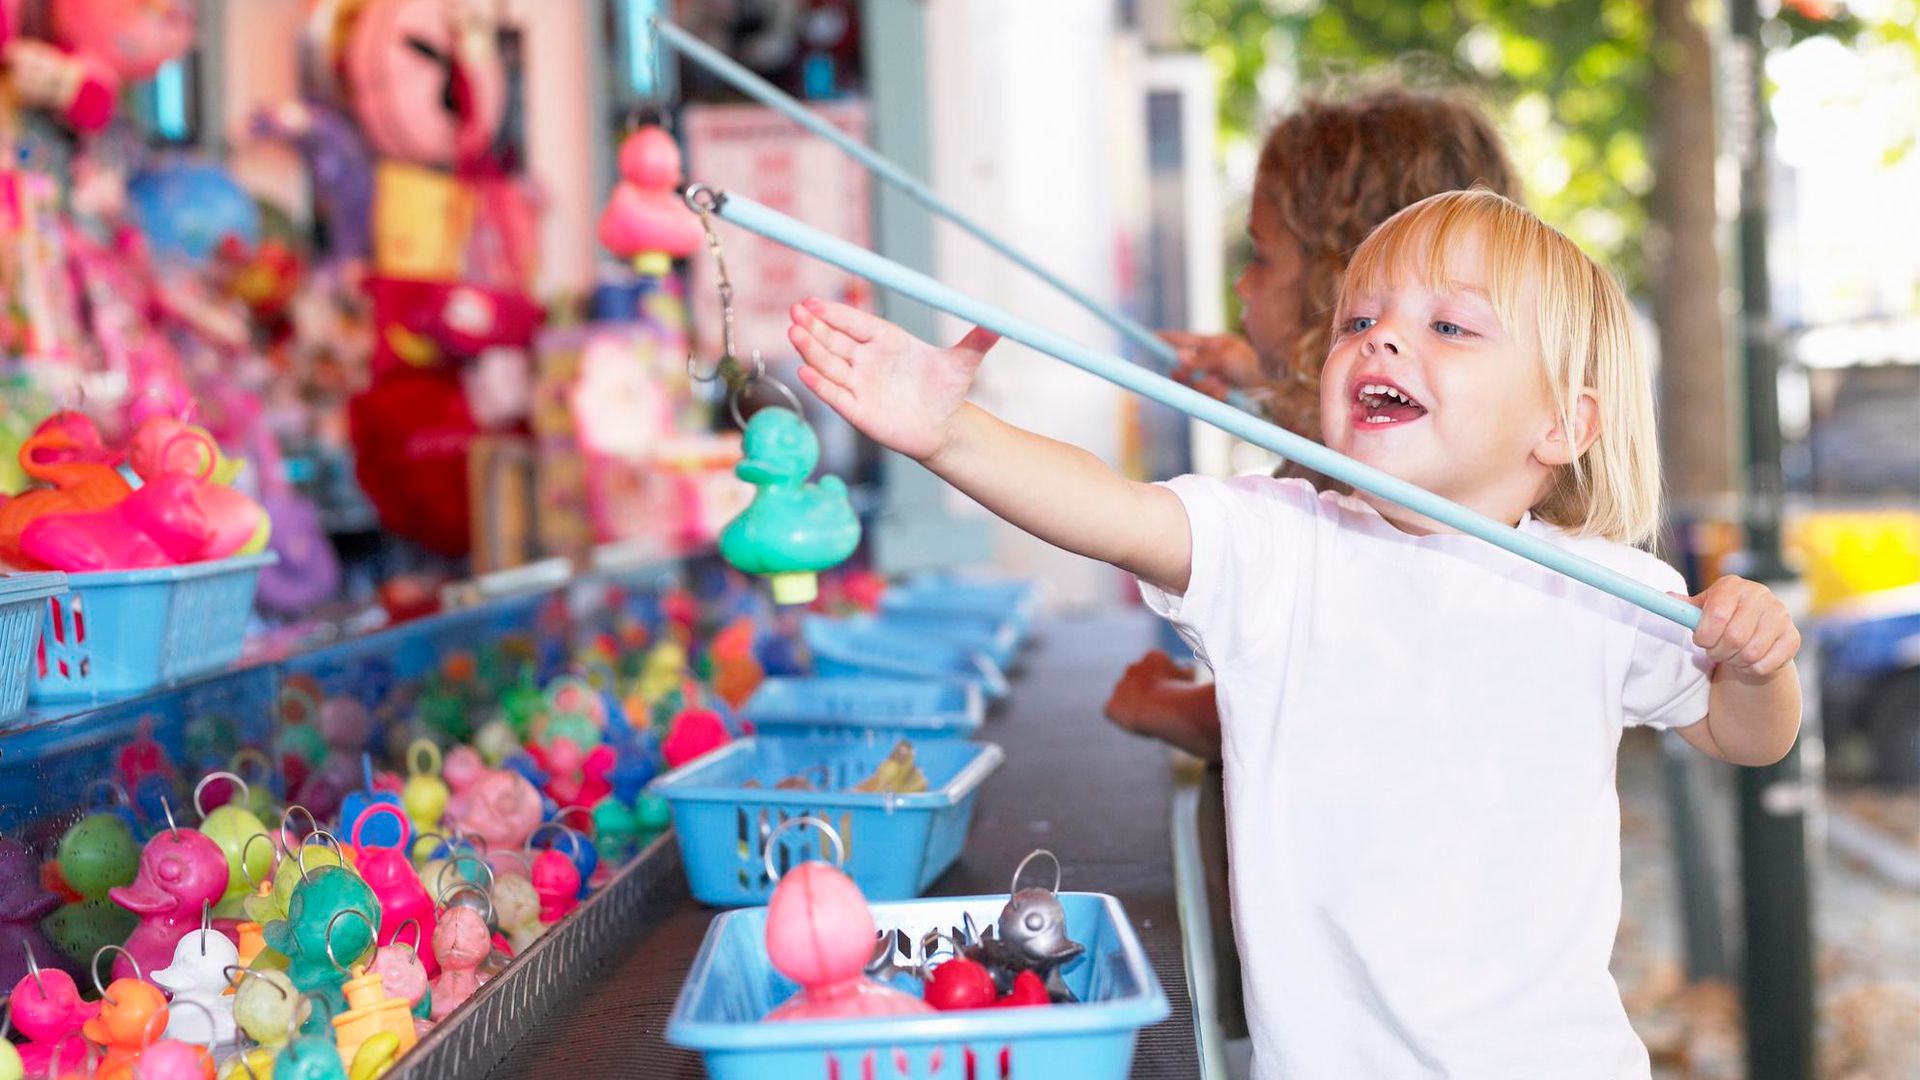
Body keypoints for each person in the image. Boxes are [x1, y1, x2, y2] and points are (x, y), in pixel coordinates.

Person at [785, 188, 1802, 1078]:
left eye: (1451, 327)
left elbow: (1746, 734)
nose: (1382, 339)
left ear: (1563, 428)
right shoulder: (1283, 544)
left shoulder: (1611, 591)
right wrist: (950, 434)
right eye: (1361, 317)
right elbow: (1109, 508)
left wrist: (1761, 663)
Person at [1111, 84, 1523, 762]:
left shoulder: (1362, 495)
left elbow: (1318, 713)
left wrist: (1157, 708)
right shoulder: (1475, 467)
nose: (1243, 286)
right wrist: (1271, 384)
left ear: (1336, 281)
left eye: (1262, 256)